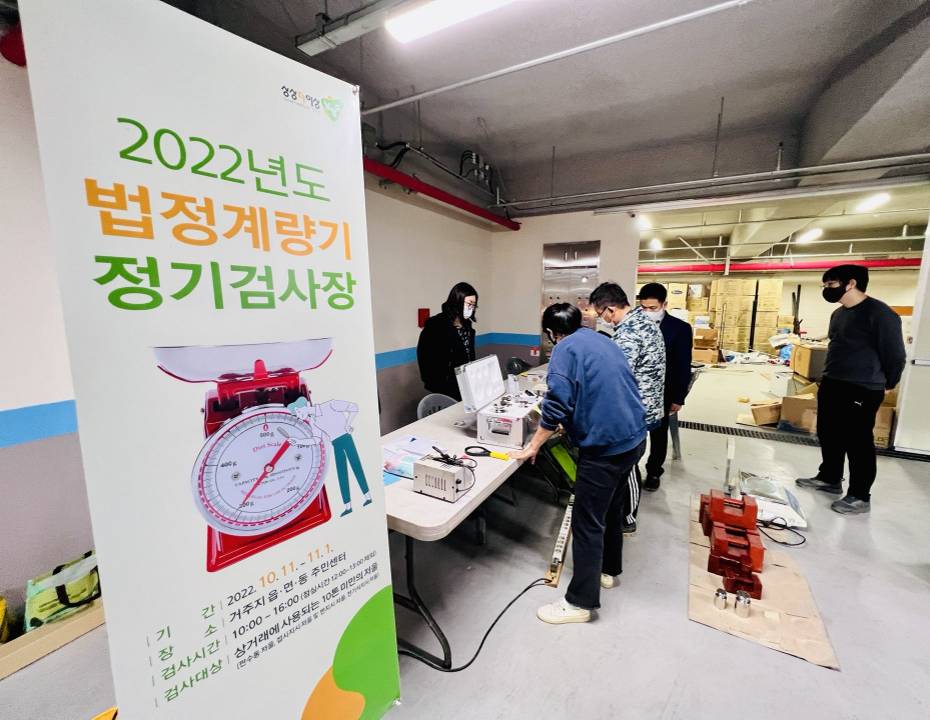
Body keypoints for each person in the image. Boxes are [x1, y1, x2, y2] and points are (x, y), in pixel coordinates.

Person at [512, 303, 646, 624]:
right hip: (633, 438)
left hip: (605, 448)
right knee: (611, 508)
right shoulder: (600, 339)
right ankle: (608, 570)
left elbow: (557, 403)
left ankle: (580, 603)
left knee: (587, 522)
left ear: (551, 333)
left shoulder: (564, 349)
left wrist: (533, 445)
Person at [796, 264, 906, 514]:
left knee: (858, 440)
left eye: (831, 284)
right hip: (833, 381)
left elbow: (895, 354)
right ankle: (830, 478)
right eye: (825, 285)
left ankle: (859, 495)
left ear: (852, 283)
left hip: (863, 387)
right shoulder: (838, 314)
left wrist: (890, 383)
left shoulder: (880, 314)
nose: (827, 289)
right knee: (828, 432)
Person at [589, 282, 665, 533]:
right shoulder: (645, 322)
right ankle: (622, 512)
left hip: (635, 410)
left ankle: (628, 518)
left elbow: (615, 375)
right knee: (627, 462)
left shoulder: (629, 332)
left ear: (610, 309)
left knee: (627, 464)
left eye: (601, 314)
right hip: (646, 405)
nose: (603, 320)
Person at [637, 282, 693, 491]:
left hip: (664, 391)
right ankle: (631, 469)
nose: (647, 312)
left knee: (658, 434)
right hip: (637, 390)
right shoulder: (634, 324)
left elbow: (683, 365)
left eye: (653, 308)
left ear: (664, 304)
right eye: (643, 307)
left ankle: (653, 471)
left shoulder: (679, 329)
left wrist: (679, 397)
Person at [416, 282, 479, 400]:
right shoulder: (436, 324)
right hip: (444, 386)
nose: (471, 308)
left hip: (464, 382)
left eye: (474, 305)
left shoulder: (467, 325)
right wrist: (438, 383)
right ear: (457, 301)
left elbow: (468, 355)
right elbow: (424, 355)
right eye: (469, 304)